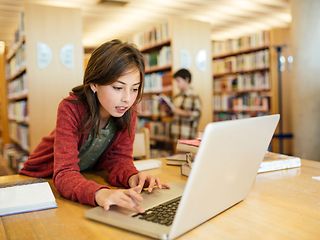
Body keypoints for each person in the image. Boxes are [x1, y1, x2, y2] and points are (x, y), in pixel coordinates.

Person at [20, 39, 168, 213]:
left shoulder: (128, 111)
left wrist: (132, 177)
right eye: (118, 87)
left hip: (82, 178)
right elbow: (64, 172)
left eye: (134, 89)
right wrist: (101, 194)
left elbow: (119, 160)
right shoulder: (71, 107)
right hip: (41, 181)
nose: (127, 98)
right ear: (94, 84)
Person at [170, 68, 201, 141]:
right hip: (176, 135)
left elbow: (197, 114)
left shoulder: (194, 96)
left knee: (187, 153)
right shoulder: (176, 97)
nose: (176, 84)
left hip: (188, 136)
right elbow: (174, 113)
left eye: (178, 81)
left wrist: (182, 112)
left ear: (186, 80)